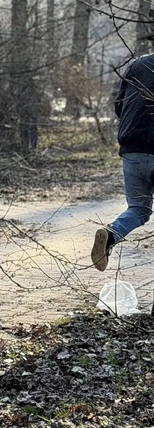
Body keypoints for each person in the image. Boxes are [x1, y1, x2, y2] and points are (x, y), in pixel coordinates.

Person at [92, 57, 154, 271]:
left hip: (132, 148)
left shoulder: (137, 65)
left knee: (138, 208)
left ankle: (111, 234)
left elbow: (118, 105)